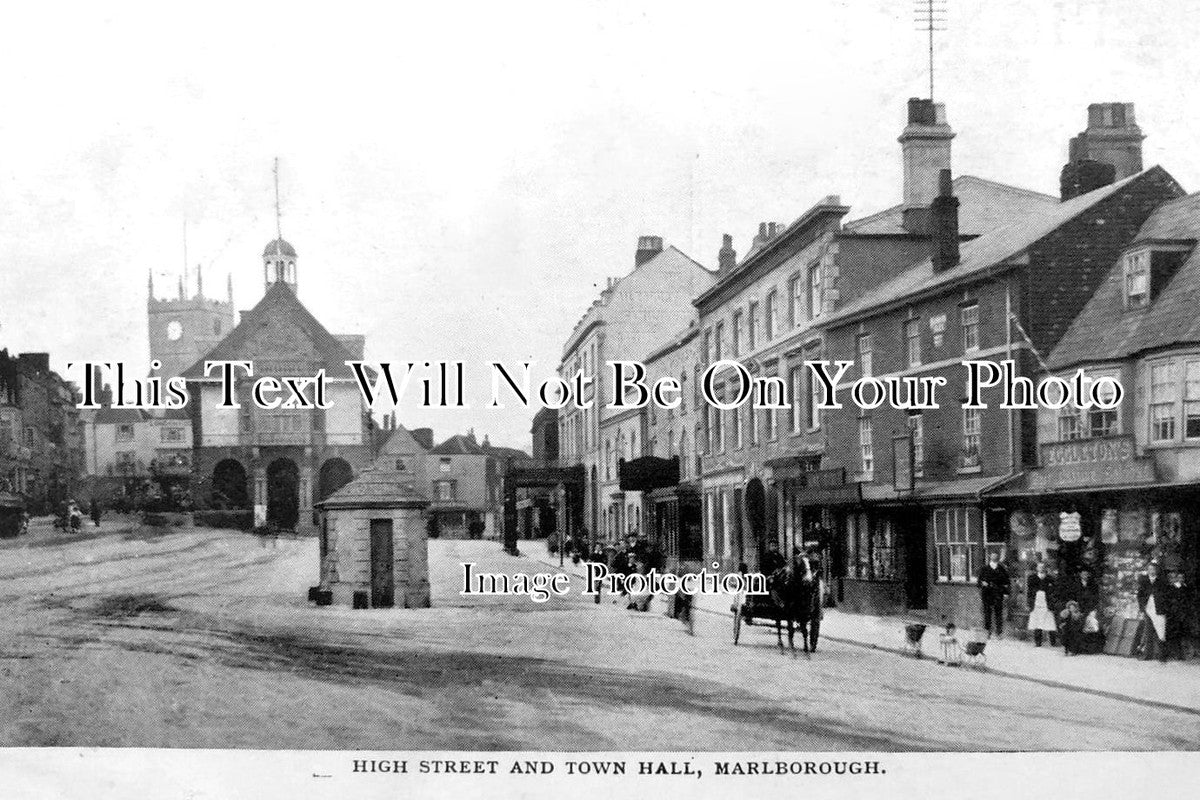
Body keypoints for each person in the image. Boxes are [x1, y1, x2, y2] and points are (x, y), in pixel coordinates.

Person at [1136, 562, 1169, 661]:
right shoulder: (1144, 581)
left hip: (1159, 608)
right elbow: (1140, 595)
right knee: (1148, 631)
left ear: (1156, 570)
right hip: (1148, 608)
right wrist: (1142, 607)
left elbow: (1166, 595)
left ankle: (1162, 656)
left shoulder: (1161, 581)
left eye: (1153, 569)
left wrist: (1164, 606)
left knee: (1161, 631)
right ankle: (1147, 655)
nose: (1151, 571)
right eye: (1149, 569)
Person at [977, 551, 1010, 638]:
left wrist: (1006, 593)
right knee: (987, 613)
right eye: (993, 555)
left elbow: (1006, 582)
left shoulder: (1002, 569)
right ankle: (987, 631)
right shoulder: (984, 568)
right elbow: (979, 581)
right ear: (990, 556)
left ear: (998, 557)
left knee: (998, 613)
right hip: (987, 593)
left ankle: (999, 632)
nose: (994, 557)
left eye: (996, 556)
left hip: (998, 593)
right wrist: (982, 583)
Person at [1026, 561, 1058, 647]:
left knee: (1050, 621)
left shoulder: (1050, 578)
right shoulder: (1032, 578)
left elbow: (1054, 590)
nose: (1041, 568)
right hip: (1036, 602)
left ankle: (1053, 641)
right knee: (1037, 621)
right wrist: (1029, 603)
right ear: (1037, 568)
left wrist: (1051, 598)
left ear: (1045, 568)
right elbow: (1029, 592)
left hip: (1047, 602)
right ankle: (1038, 642)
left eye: (1043, 567)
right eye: (1039, 567)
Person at [1163, 571, 1192, 661]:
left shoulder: (1186, 588)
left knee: (1182, 634)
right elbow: (1168, 601)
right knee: (1173, 634)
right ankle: (1174, 653)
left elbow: (1188, 601)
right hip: (1173, 614)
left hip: (1183, 614)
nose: (1180, 579)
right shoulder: (1171, 588)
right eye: (1178, 578)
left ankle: (1181, 653)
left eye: (1182, 578)